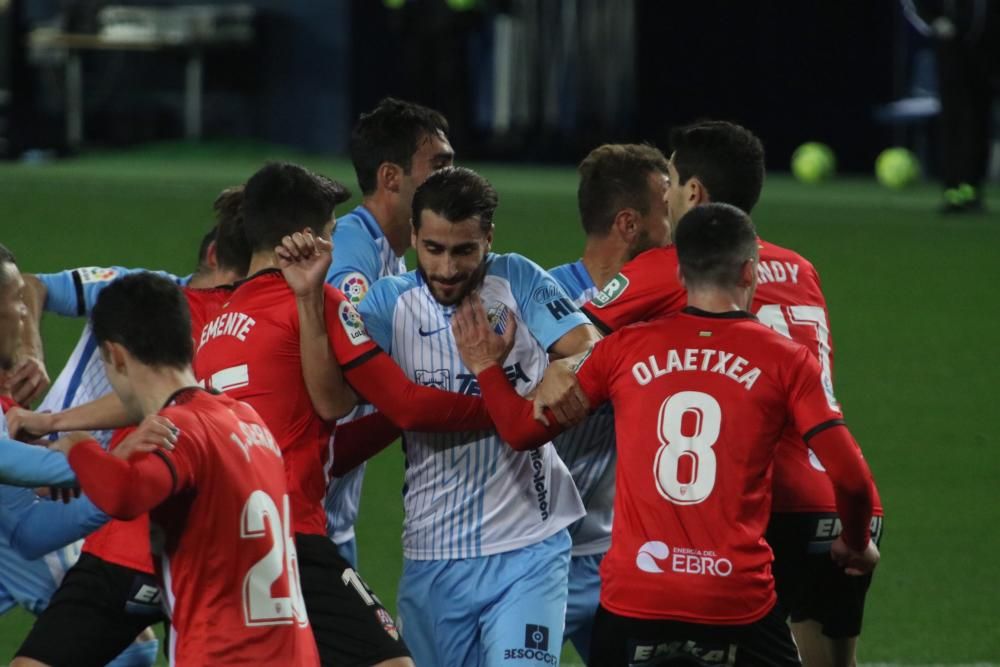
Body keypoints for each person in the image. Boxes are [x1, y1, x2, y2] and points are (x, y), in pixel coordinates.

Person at [452, 203, 880, 666]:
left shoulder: (622, 350)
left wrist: (485, 368)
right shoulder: (788, 360)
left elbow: (519, 431)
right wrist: (855, 542)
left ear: (678, 274)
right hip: (734, 598)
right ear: (750, 272)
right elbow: (853, 480)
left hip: (636, 596)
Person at [539, 122, 884, 667]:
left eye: (671, 181)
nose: (668, 195)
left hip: (755, 504)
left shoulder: (681, 267)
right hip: (839, 502)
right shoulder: (800, 267)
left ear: (693, 194)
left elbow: (571, 341)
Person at [193, 161, 495, 667]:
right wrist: (503, 407)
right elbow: (403, 403)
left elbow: (330, 408)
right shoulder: (320, 302)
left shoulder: (215, 328)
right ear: (308, 238)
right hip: (286, 533)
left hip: (218, 536)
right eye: (331, 231)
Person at [356, 166, 598, 666]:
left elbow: (589, 345)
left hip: (530, 547)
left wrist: (568, 366)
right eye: (434, 249)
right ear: (415, 239)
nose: (446, 268)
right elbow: (337, 396)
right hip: (432, 553)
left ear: (489, 237)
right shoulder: (388, 304)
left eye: (464, 250)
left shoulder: (518, 278)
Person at [23, 272, 320, 666]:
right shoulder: (245, 419)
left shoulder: (182, 428)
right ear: (190, 343)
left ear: (115, 356)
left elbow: (125, 495)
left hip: (225, 656)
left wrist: (78, 445)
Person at [545, 142, 670, 663]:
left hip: (626, 559)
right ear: (628, 224)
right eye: (667, 211)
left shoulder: (668, 304)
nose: (676, 225)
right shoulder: (545, 302)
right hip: (544, 557)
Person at [325, 97, 454, 567]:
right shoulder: (350, 256)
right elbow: (346, 372)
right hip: (299, 514)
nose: (450, 181)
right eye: (438, 166)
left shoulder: (389, 256)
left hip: (330, 512)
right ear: (390, 178)